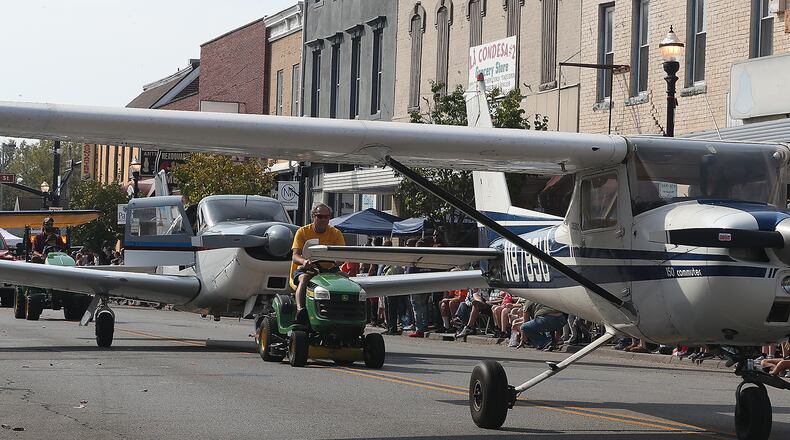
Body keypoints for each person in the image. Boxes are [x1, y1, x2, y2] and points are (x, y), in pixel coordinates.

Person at [291, 203, 345, 325]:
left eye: (326, 217)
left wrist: (338, 261)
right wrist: (304, 262)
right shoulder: (303, 232)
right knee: (304, 278)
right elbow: (295, 255)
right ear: (313, 217)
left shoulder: (336, 233)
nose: (323, 219)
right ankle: (301, 311)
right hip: (307, 269)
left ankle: (341, 313)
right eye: (320, 216)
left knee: (346, 279)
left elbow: (342, 257)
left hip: (330, 270)